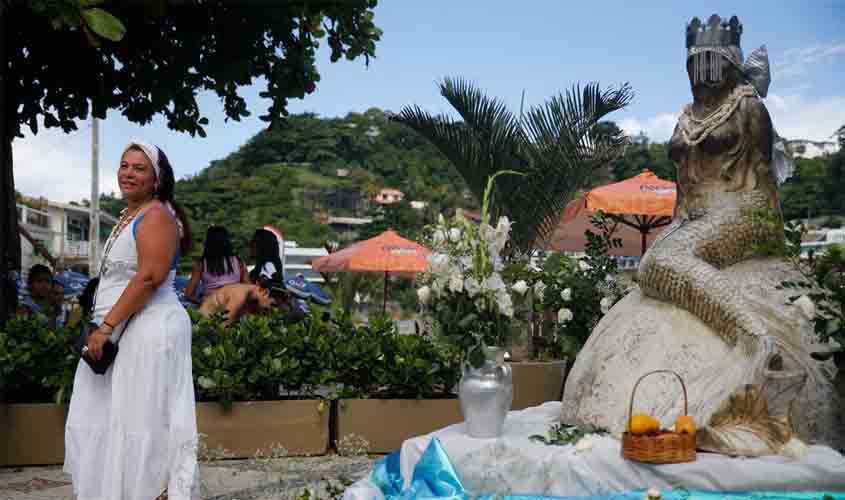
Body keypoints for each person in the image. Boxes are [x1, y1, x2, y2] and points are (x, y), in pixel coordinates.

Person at [64, 140, 199, 500]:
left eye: (139, 168)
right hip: (121, 330)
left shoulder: (156, 215)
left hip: (148, 329)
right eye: (124, 165)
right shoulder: (130, 214)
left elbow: (149, 277)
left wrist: (107, 327)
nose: (128, 173)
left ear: (157, 179)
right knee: (111, 419)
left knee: (144, 424)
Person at [185, 226, 247, 304]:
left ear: (208, 243)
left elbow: (188, 294)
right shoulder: (239, 262)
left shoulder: (201, 264)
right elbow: (250, 288)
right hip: (235, 305)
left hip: (212, 307)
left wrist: (203, 302)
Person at [199, 282, 274, 324]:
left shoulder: (253, 297)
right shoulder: (240, 296)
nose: (271, 308)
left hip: (216, 319)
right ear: (265, 292)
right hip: (205, 320)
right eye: (272, 304)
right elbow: (225, 323)